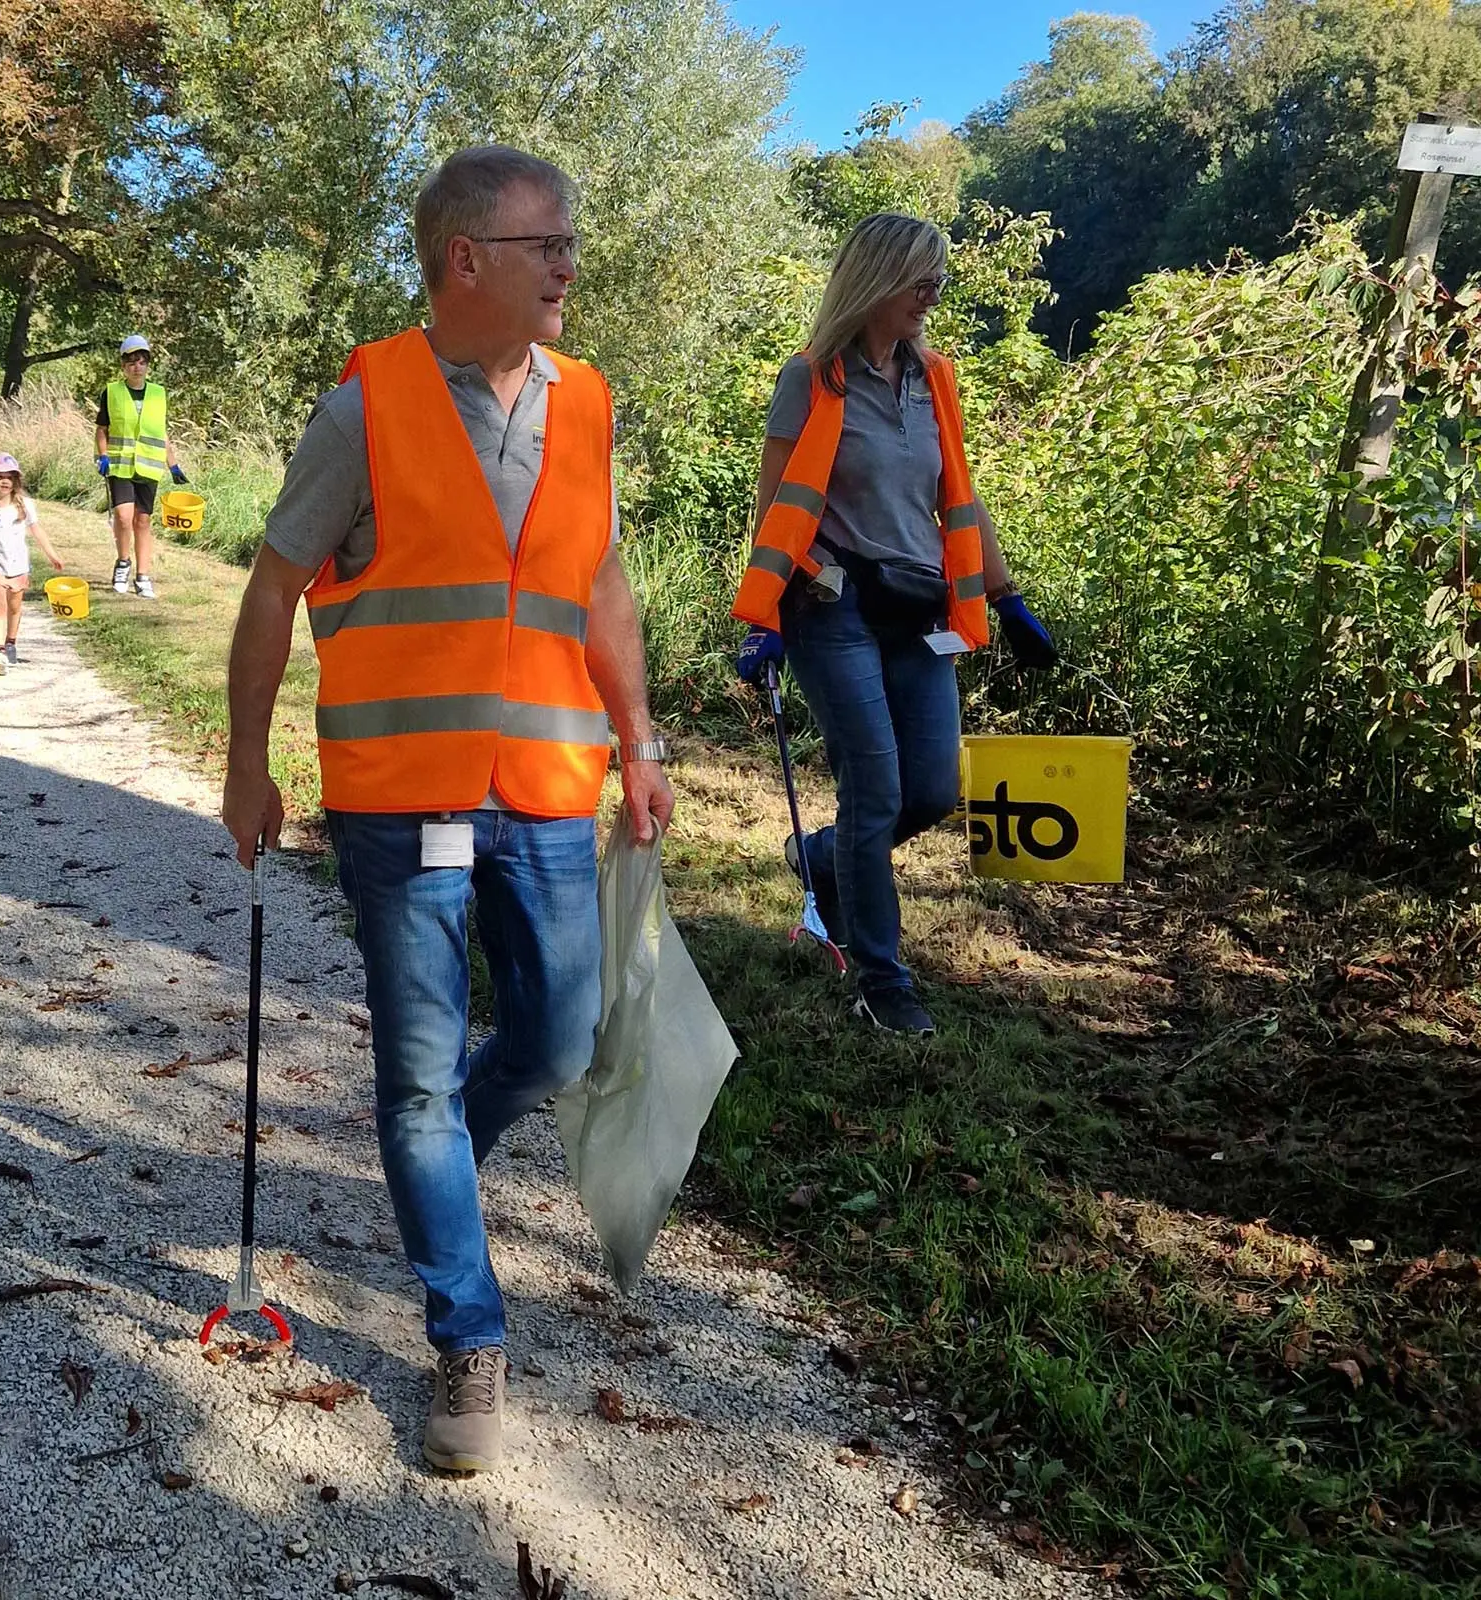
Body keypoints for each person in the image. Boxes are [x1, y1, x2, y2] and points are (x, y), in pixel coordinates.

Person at [221, 146, 674, 1476]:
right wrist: (247, 762)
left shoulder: (586, 403)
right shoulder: (364, 406)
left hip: (545, 793)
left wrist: (639, 737)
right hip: (397, 804)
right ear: (465, 261)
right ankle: (465, 1334)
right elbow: (269, 590)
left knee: (552, 1042)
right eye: (549, 245)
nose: (570, 267)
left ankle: (439, 1174)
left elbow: (602, 590)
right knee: (415, 1082)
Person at [731, 212, 1057, 1038]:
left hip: (919, 613)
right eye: (920, 279)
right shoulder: (809, 378)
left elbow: (959, 495)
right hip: (830, 609)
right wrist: (764, 614)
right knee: (874, 792)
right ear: (875, 281)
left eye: (937, 279)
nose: (932, 294)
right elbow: (775, 506)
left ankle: (822, 856)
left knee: (934, 791)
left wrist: (1007, 596)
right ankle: (882, 975)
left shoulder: (935, 377)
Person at [94, 332, 189, 599]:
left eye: (142, 362)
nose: (137, 367)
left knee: (143, 520)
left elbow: (161, 433)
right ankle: (123, 564)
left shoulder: (158, 394)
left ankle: (143, 576)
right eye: (132, 362)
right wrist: (103, 456)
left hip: (148, 466)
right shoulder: (111, 392)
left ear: (148, 365)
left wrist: (174, 465)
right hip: (120, 464)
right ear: (123, 366)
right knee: (124, 518)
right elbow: (102, 429)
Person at [0, 451, 65, 673]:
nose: (5, 481)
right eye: (0, 476)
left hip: (18, 565)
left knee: (14, 608)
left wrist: (52, 555)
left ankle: (11, 642)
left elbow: (37, 531)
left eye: (10, 477)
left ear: (15, 481)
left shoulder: (25, 506)